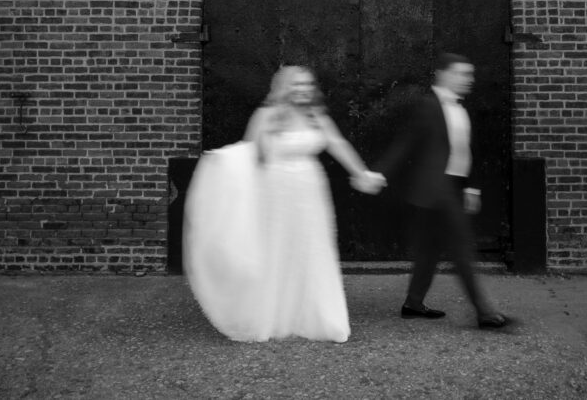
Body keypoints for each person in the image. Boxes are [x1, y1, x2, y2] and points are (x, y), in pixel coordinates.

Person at [184, 65, 385, 343]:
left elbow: (338, 144)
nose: (302, 89)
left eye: (307, 84)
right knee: (277, 247)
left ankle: (316, 316)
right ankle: (271, 315)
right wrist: (222, 164)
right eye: (296, 84)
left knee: (312, 247)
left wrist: (361, 172)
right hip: (275, 191)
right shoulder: (267, 116)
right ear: (284, 87)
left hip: (310, 191)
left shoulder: (317, 116)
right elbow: (248, 153)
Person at [375, 53, 511, 329]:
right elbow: (406, 143)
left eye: (470, 74)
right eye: (463, 74)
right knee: (462, 249)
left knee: (429, 251)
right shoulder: (428, 106)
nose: (469, 80)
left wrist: (471, 186)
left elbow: (464, 150)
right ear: (444, 74)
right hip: (435, 191)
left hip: (451, 187)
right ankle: (485, 312)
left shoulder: (460, 108)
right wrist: (379, 173)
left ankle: (413, 303)